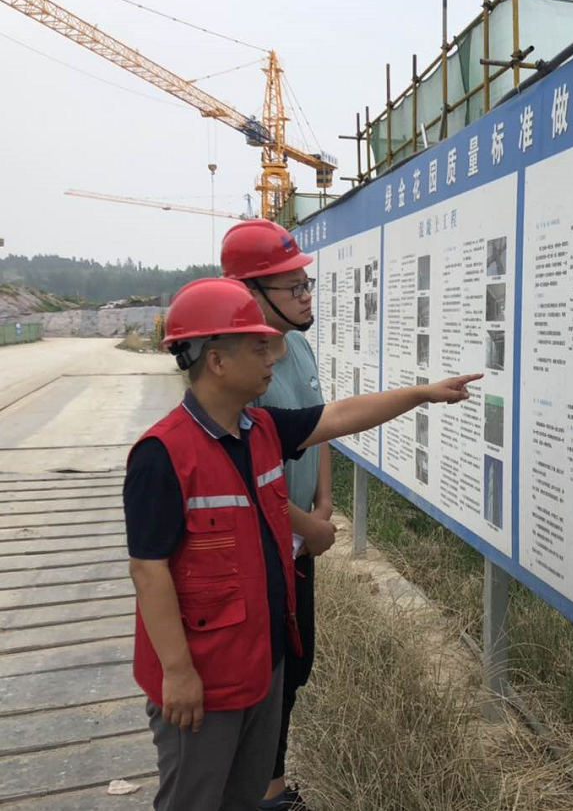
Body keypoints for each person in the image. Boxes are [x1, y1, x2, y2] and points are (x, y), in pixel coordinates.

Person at [123, 277, 480, 811]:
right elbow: (149, 571)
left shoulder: (261, 430)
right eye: (258, 347)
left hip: (260, 665)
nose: (272, 358)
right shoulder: (162, 456)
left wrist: (421, 394)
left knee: (244, 797)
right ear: (215, 361)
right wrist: (177, 672)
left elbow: (338, 416)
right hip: (204, 681)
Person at [221, 219, 333, 811]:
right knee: (269, 672)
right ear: (250, 293)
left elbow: (319, 425)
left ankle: (271, 785)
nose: (306, 297)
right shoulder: (244, 366)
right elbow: (245, 472)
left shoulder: (301, 347)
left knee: (297, 664)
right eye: (293, 287)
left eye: (306, 284)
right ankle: (266, 793)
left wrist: (324, 503)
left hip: (301, 540)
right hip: (265, 545)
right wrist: (307, 525)